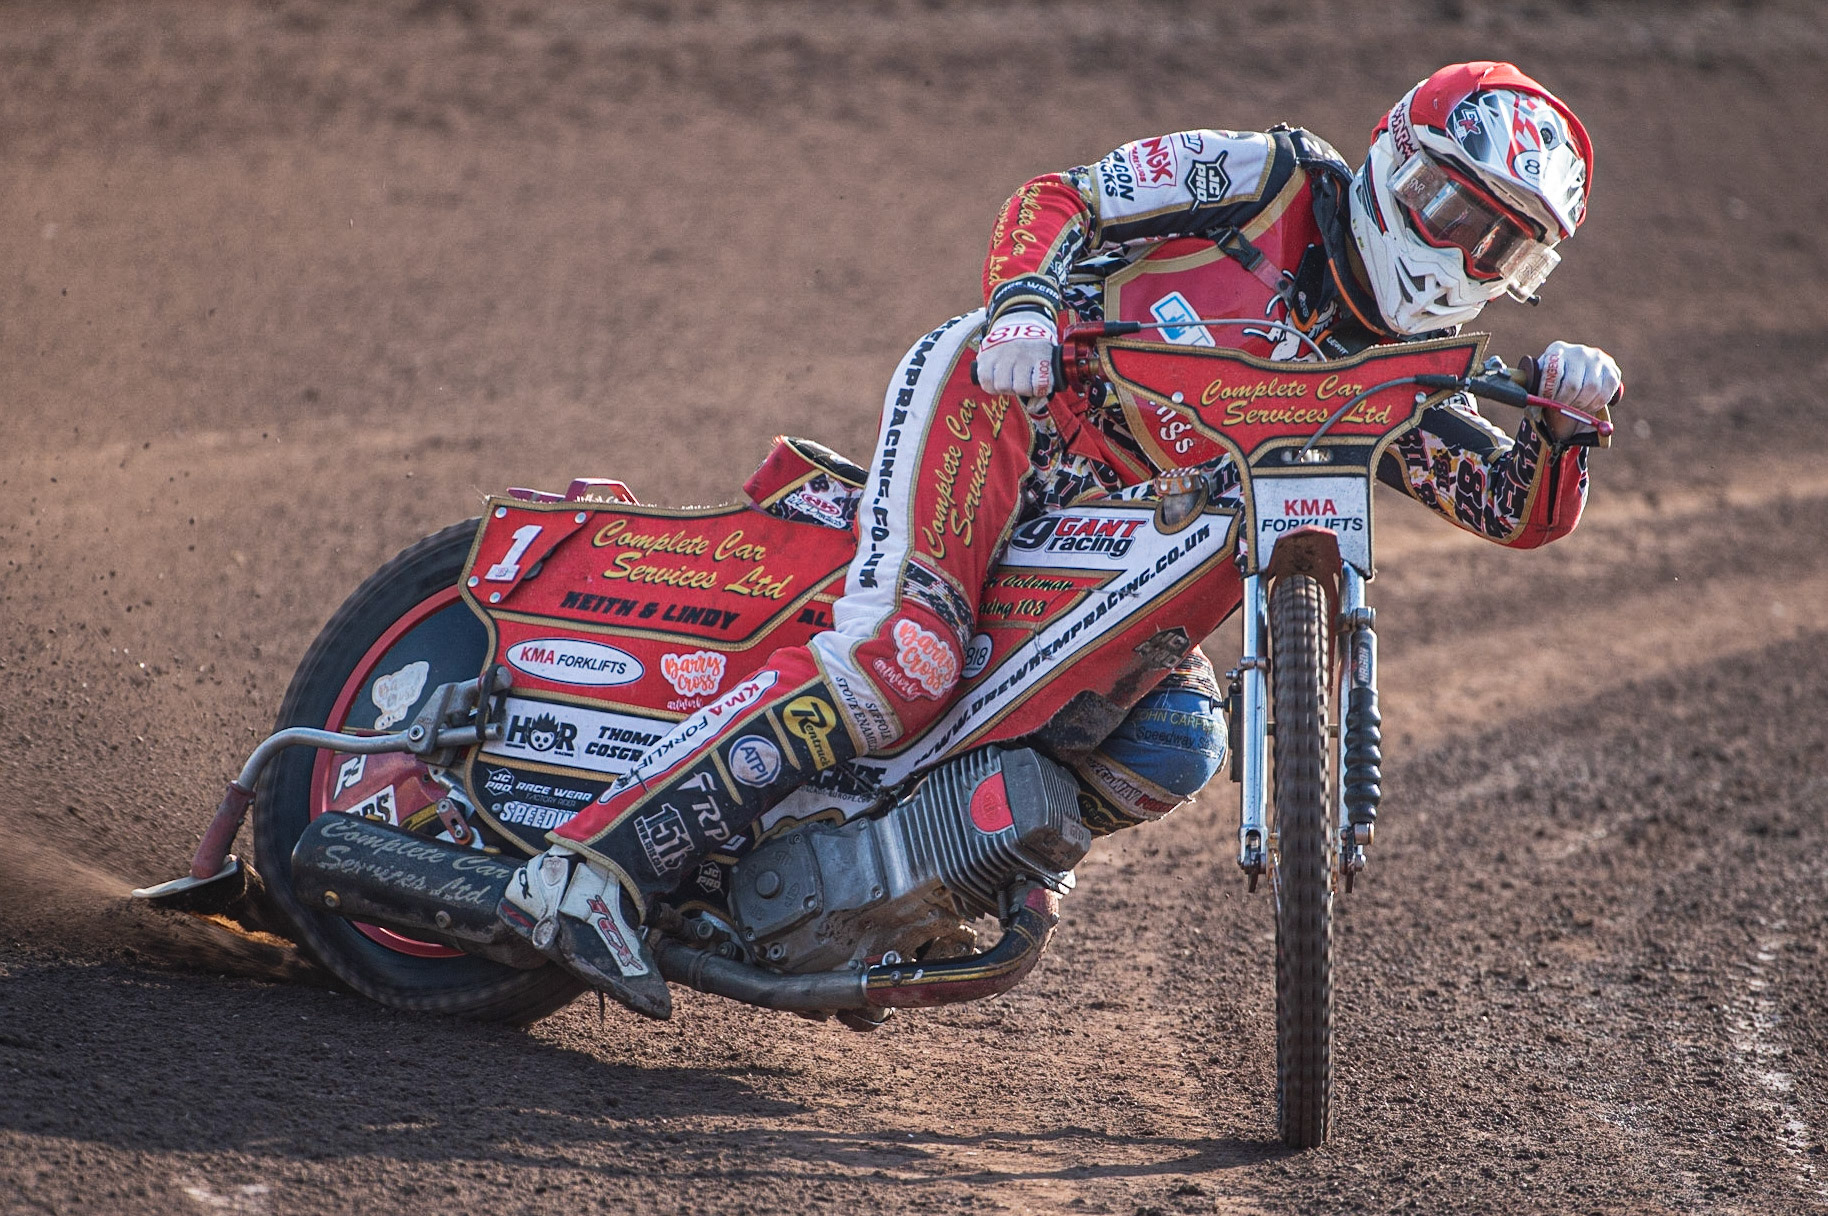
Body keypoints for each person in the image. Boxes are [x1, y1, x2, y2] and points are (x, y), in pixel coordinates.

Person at [498, 61, 1624, 1019]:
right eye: (1447, 206)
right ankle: (586, 866)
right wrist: (1027, 306)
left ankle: (908, 888)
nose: (1457, 251)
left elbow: (1512, 510)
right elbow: (1060, 196)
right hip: (1007, 411)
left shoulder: (1394, 387)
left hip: (1123, 523)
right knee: (903, 660)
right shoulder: (1267, 175)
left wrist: (1568, 427)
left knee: (1177, 738)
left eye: (1499, 248)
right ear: (1394, 162)